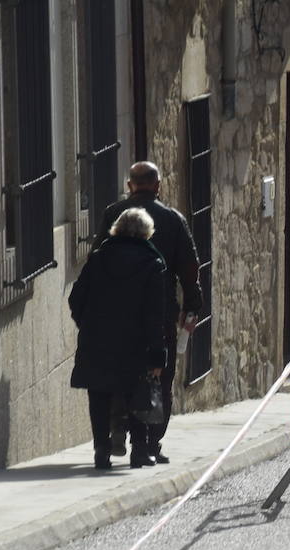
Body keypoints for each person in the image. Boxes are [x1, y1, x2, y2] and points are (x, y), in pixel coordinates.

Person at [95, 161, 202, 466]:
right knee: (159, 378)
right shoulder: (173, 219)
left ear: (130, 186)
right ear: (158, 186)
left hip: (116, 315)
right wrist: (193, 305)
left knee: (121, 374)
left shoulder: (112, 214)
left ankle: (124, 430)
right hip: (160, 312)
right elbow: (189, 268)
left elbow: (97, 260)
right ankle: (150, 443)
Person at [69, 208, 167, 470]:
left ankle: (101, 450)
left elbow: (76, 298)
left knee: (99, 394)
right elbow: (155, 314)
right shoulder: (152, 263)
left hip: (97, 338)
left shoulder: (98, 258)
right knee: (137, 392)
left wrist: (87, 324)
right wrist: (158, 354)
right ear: (146, 233)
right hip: (135, 342)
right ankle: (139, 451)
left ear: (117, 229)